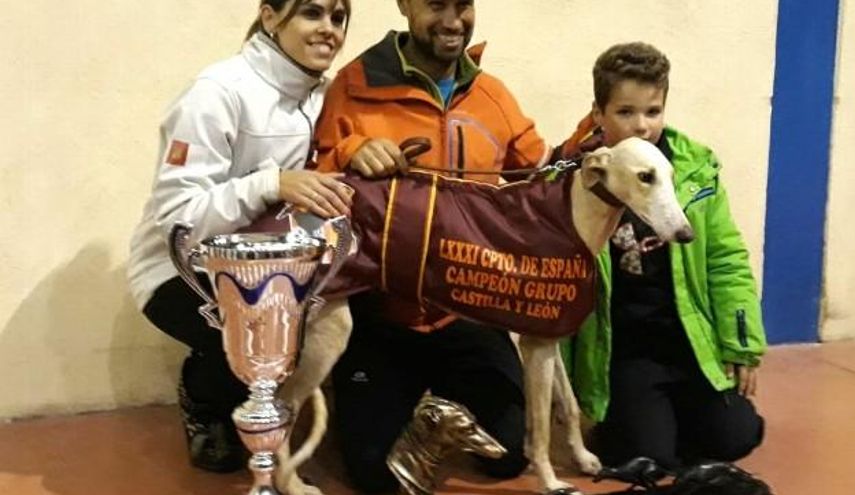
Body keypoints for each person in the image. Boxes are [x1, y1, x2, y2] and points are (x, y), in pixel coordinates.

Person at [311, 0, 550, 491]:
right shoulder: (353, 85)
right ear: (404, 5)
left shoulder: (492, 95)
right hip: (382, 315)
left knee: (508, 455)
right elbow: (317, 174)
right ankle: (381, 401)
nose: (452, 21)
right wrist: (353, 151)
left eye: (463, 5)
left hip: (466, 311)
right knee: (375, 477)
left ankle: (437, 401)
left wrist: (600, 144)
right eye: (436, 4)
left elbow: (541, 174)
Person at [127, 0, 353, 473]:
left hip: (275, 262)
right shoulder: (216, 91)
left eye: (338, 17)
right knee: (263, 334)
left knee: (339, 313)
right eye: (312, 13)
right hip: (178, 268)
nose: (329, 29)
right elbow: (177, 216)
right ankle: (203, 395)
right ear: (270, 16)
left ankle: (287, 428)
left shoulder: (326, 96)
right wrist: (270, 183)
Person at [558, 42, 766, 471]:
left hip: (687, 341)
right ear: (598, 114)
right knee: (648, 458)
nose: (641, 126)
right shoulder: (577, 177)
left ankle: (668, 421)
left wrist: (741, 344)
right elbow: (554, 282)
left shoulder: (695, 169)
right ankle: (637, 424)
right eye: (625, 112)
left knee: (738, 435)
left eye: (653, 112)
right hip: (625, 350)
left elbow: (726, 259)